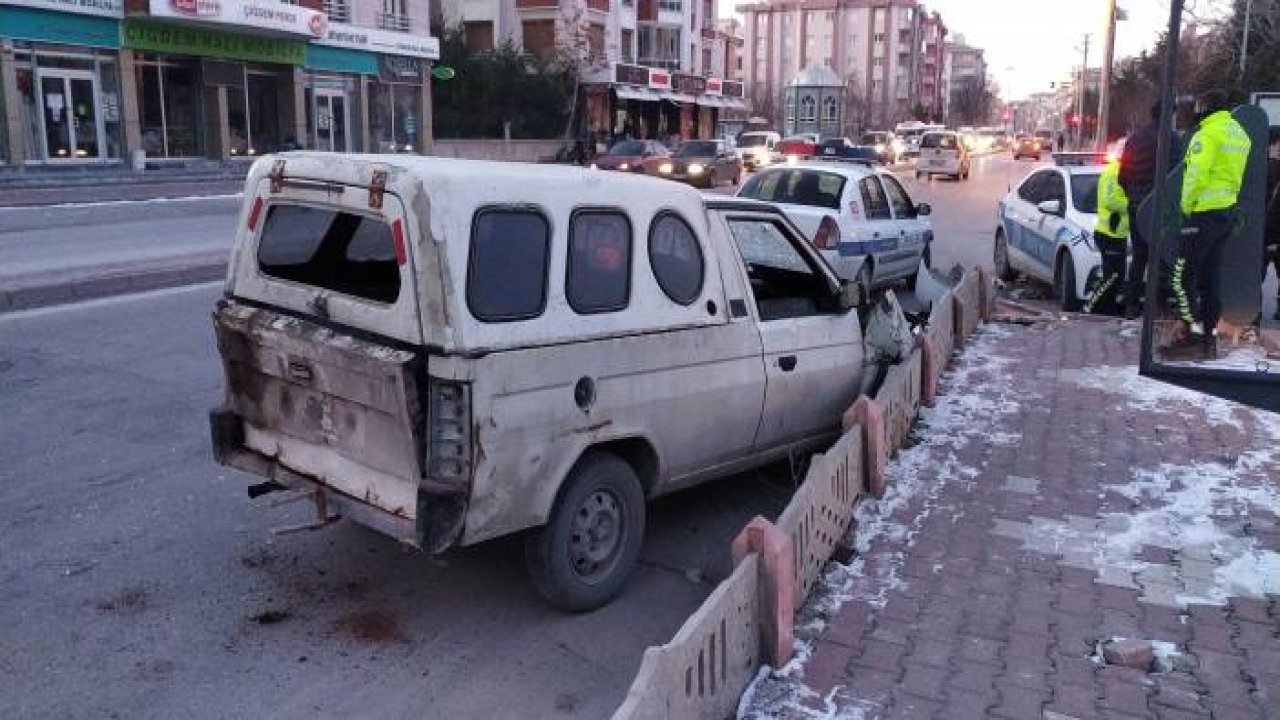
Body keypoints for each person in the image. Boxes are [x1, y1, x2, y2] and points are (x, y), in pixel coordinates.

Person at [1163, 91, 1252, 361]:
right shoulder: (1239, 135)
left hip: (1201, 213)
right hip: (1225, 214)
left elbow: (1196, 174)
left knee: (1180, 276)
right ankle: (1207, 339)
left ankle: (1191, 336)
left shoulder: (1207, 134)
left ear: (1205, 110)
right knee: (1209, 281)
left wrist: (1185, 206)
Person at [1119, 102, 1181, 319]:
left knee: (1139, 258)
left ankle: (1131, 305)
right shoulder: (1171, 139)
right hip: (1159, 209)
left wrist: (1134, 197)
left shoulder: (1134, 139)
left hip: (1136, 207)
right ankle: (1156, 306)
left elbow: (1122, 176)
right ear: (1169, 115)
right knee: (1161, 259)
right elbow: (1176, 176)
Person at [1086, 157, 1129, 315]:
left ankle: (1107, 309)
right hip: (1109, 233)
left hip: (1118, 233)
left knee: (1116, 277)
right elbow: (1110, 200)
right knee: (1111, 277)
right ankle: (1091, 306)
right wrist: (1132, 204)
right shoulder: (1113, 172)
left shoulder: (1122, 172)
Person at [1266, 127, 1280, 320]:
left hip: (1267, 229)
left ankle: (1251, 311)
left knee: (1255, 273)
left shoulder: (1265, 168)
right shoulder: (1269, 168)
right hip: (1271, 228)